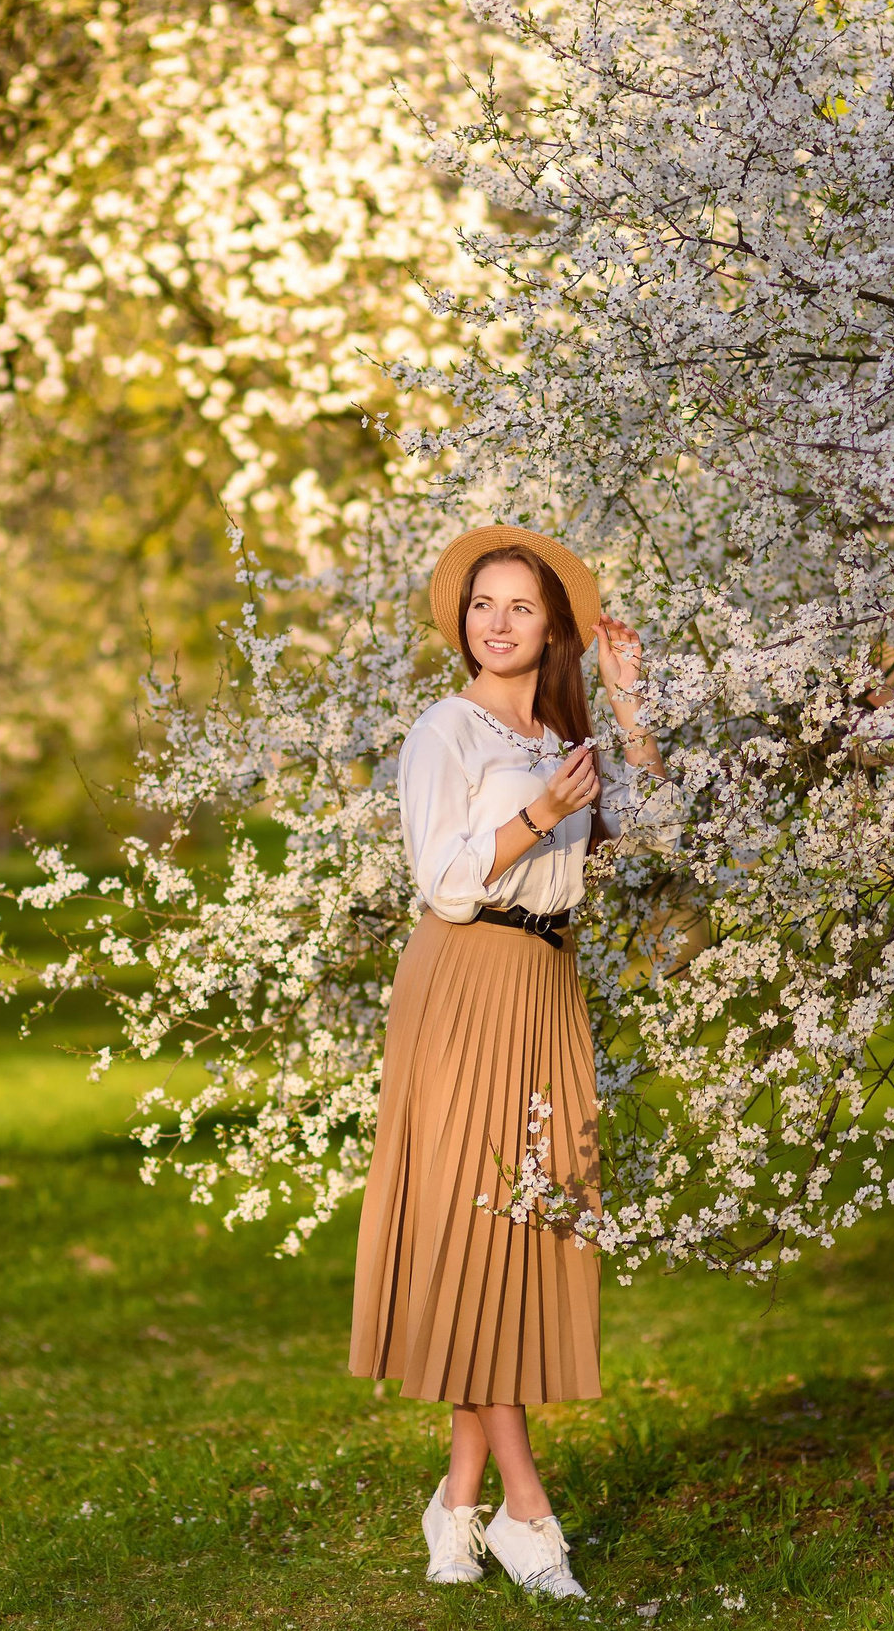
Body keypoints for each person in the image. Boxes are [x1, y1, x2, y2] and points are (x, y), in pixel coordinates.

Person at [347, 524, 666, 1599]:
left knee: (510, 1234)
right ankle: (527, 1510)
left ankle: (454, 1497)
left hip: (542, 991)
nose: (496, 620)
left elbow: (661, 836)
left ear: (553, 628)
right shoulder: (448, 729)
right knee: (470, 1222)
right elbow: (441, 879)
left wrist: (626, 704)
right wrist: (539, 815)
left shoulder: (556, 739)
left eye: (521, 606)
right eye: (483, 602)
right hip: (460, 980)